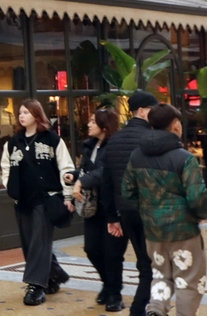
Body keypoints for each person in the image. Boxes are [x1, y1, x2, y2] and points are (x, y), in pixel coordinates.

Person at [121, 103, 207, 316]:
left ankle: (156, 310)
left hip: (153, 231)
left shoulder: (137, 156)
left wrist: (147, 209)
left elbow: (127, 190)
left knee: (160, 274)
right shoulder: (184, 158)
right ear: (176, 125)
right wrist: (199, 215)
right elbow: (197, 197)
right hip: (184, 231)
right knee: (188, 280)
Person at [1, 99, 75, 306]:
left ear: (37, 114)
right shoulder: (12, 143)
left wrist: (68, 196)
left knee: (39, 241)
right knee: (29, 242)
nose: (21, 116)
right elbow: (5, 168)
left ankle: (35, 286)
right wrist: (10, 187)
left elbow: (66, 167)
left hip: (46, 198)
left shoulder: (52, 140)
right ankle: (55, 274)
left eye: (26, 112)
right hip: (22, 199)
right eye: (20, 112)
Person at [100, 90, 159, 316]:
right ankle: (140, 309)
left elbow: (106, 182)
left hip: (125, 211)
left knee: (145, 261)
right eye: (152, 110)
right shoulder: (151, 138)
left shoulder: (114, 140)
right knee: (151, 264)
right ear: (142, 111)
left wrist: (112, 217)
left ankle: (148, 308)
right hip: (150, 210)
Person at [69, 107, 125, 312]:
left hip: (112, 207)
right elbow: (87, 170)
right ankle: (107, 284)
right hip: (92, 207)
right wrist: (74, 175)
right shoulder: (90, 146)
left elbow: (104, 173)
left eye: (93, 121)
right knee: (91, 249)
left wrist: (81, 181)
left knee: (112, 253)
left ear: (104, 126)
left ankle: (115, 294)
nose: (89, 124)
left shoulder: (114, 147)